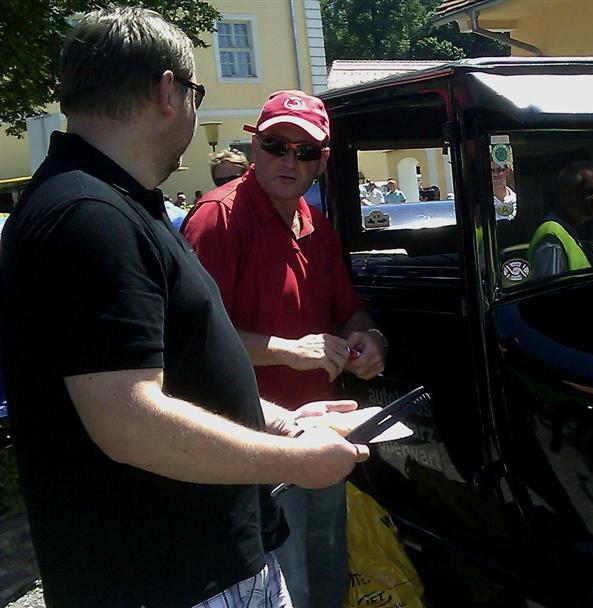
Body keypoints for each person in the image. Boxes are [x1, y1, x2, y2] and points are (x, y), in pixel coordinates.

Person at [0, 8, 369, 608]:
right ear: (169, 91)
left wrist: (285, 420)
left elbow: (183, 372)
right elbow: (130, 421)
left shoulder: (117, 204)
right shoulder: (89, 217)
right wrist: (295, 459)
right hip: (164, 578)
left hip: (200, 564)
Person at [181, 89, 388, 608]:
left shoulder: (316, 225)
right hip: (255, 441)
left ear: (322, 162)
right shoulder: (218, 219)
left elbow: (348, 308)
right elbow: (194, 346)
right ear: (255, 148)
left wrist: (369, 337)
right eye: (277, 145)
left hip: (321, 430)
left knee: (328, 560)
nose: (290, 160)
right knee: (285, 578)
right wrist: (290, 350)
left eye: (306, 151)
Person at [528, 161, 593, 278]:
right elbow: (551, 292)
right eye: (589, 192)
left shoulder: (567, 232)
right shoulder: (552, 241)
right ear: (565, 194)